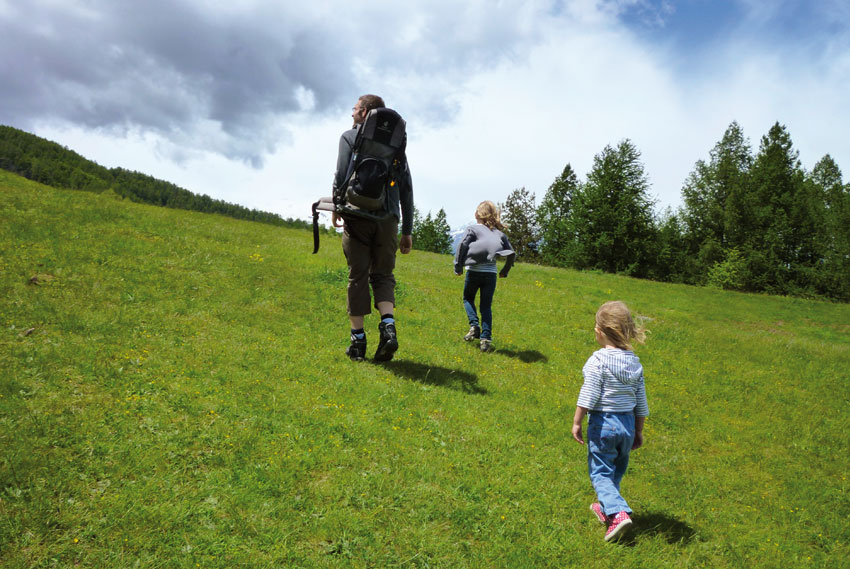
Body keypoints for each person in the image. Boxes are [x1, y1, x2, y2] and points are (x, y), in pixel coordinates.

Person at [331, 94, 414, 362]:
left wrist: (335, 206)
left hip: (357, 216)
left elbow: (341, 174)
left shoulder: (349, 137)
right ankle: (388, 327)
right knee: (383, 275)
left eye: (354, 108)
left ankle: (358, 343)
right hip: (388, 220)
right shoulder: (396, 145)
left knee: (358, 277)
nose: (351, 112)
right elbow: (406, 188)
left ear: (365, 111)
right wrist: (407, 231)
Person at [571, 301, 649, 542]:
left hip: (604, 423)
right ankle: (607, 507)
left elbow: (589, 393)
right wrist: (638, 430)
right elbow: (641, 401)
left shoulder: (598, 360)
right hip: (626, 425)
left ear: (600, 331)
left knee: (601, 473)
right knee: (616, 469)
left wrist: (577, 421)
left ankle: (618, 513)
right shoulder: (634, 362)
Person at [453, 201, 515, 352]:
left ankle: (474, 326)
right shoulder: (500, 234)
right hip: (491, 274)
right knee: (486, 306)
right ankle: (486, 339)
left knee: (468, 298)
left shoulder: (472, 229)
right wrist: (505, 270)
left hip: (474, 272)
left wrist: (458, 265)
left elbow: (462, 246)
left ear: (477, 214)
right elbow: (512, 253)